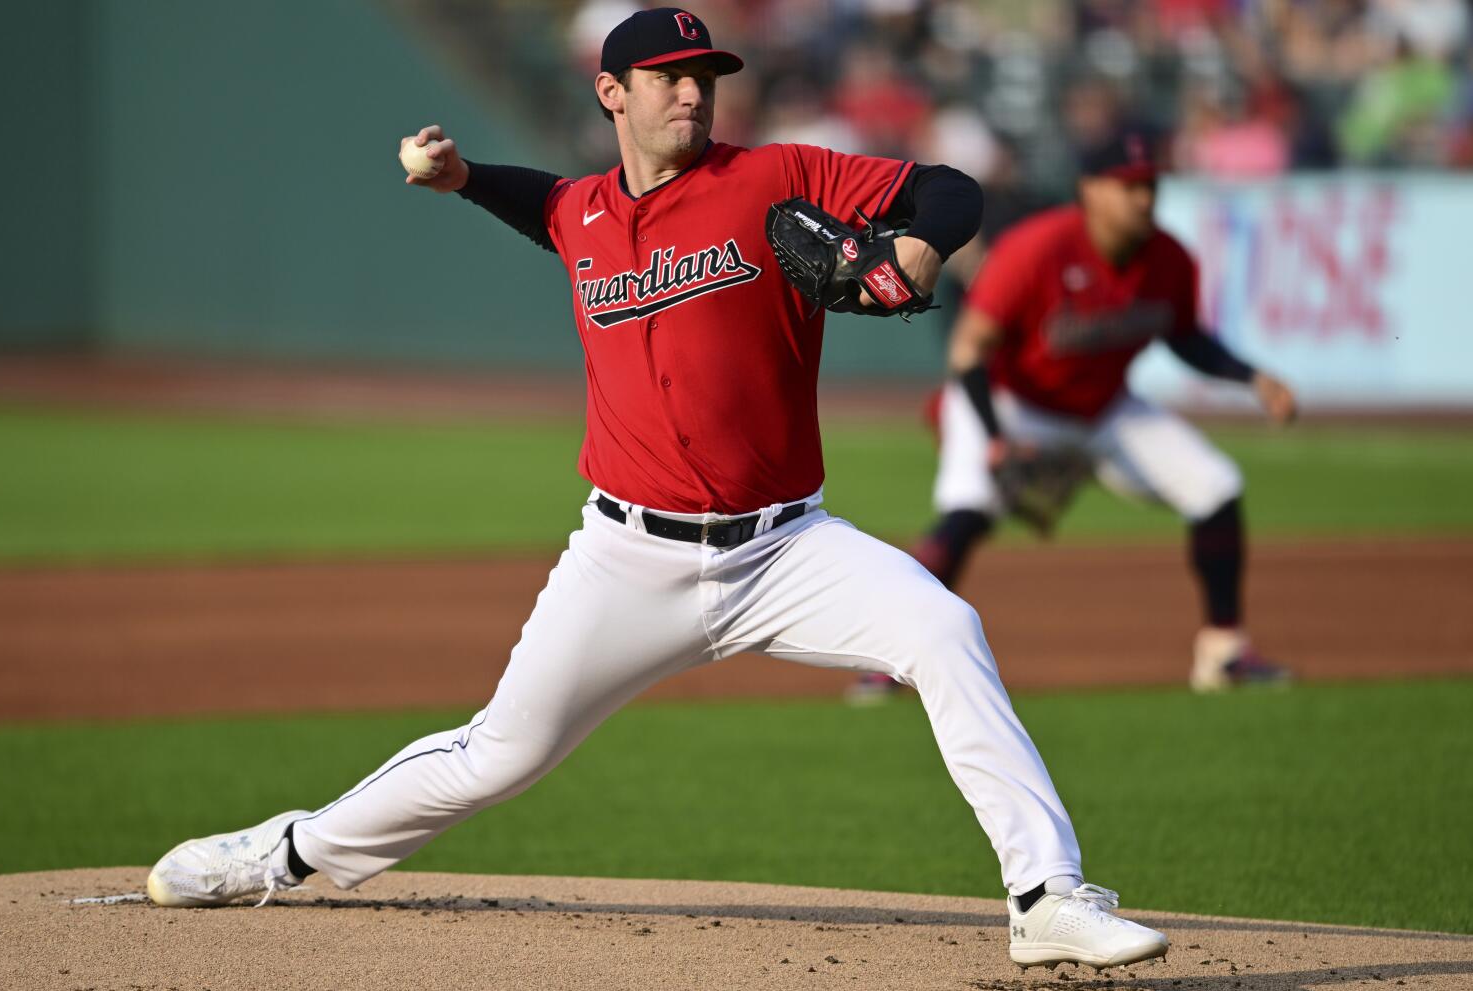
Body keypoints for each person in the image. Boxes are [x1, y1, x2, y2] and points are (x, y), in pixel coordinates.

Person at [145, 8, 1168, 972]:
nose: (691, 93)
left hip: (785, 550)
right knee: (497, 755)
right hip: (627, 557)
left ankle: (1045, 898)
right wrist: (461, 177)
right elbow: (540, 204)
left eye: (704, 77)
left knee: (943, 630)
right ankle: (283, 852)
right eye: (667, 78)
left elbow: (951, 187)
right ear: (610, 92)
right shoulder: (582, 211)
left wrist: (911, 244)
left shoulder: (773, 177)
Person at [894, 131, 1296, 696]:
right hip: (1013, 402)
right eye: (1128, 186)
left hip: (1104, 409)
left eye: (1150, 185)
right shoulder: (1036, 248)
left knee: (1216, 485)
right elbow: (968, 350)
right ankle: (892, 663)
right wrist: (993, 437)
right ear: (1089, 190)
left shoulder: (1169, 258)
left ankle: (1223, 654)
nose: (1143, 199)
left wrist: (1252, 379)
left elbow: (1185, 338)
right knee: (968, 511)